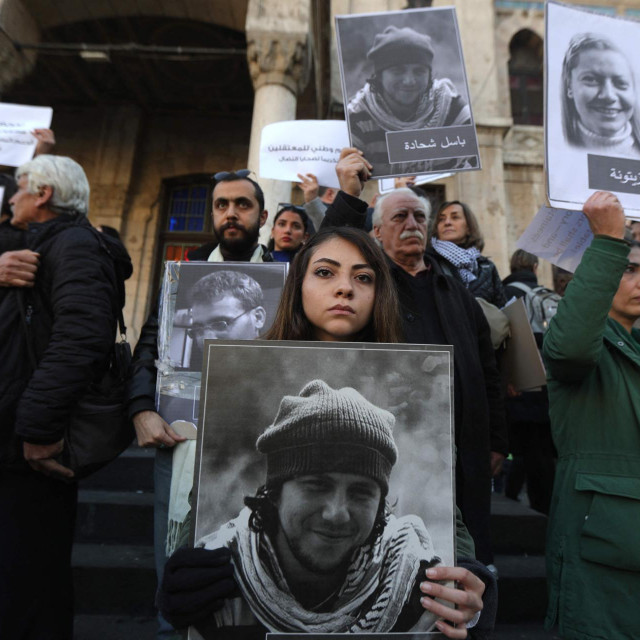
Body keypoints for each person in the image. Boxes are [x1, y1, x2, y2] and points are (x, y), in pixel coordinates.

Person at [158, 226, 498, 639]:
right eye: (325, 272)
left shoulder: (410, 570)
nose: (345, 289)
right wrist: (183, 583)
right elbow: (199, 523)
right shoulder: (230, 549)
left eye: (363, 277)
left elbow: (453, 529)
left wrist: (471, 582)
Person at [319, 148, 507, 570]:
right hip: (396, 446)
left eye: (419, 217)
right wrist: (349, 195)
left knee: (464, 555)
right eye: (399, 218)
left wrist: (497, 441)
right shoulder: (367, 284)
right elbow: (322, 261)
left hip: (464, 448)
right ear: (378, 232)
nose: (412, 225)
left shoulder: (454, 287)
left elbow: (486, 369)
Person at [126, 168, 272, 639]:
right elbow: (151, 346)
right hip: (183, 439)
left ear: (262, 215)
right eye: (221, 204)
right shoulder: (184, 270)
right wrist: (141, 409)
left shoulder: (293, 271)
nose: (231, 213)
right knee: (176, 573)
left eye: (242, 204)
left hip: (258, 443)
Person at [0, 155, 132, 639]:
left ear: (43, 195)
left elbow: (81, 339)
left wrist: (35, 429)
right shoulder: (40, 243)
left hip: (30, 448)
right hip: (16, 439)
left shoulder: (74, 245)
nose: (10, 197)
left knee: (27, 581)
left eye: (18, 187)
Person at [542, 191, 640, 639]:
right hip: (604, 555)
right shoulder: (585, 343)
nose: (639, 279)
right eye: (628, 270)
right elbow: (569, 348)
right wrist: (607, 243)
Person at [347, 25, 474, 177]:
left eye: (419, 71)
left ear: (429, 75)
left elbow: (473, 171)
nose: (409, 81)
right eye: (398, 71)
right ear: (379, 75)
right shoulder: (357, 117)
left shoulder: (452, 110)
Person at [502, 249, 555, 514]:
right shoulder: (544, 294)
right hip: (546, 386)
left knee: (520, 450)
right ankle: (544, 510)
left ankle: (511, 496)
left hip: (516, 384)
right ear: (535, 268)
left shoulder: (504, 293)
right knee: (542, 453)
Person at [561, 33, 640, 157]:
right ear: (569, 86)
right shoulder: (558, 156)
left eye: (621, 83)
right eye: (591, 80)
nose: (608, 95)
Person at [429, 201, 506, 307]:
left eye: (455, 217)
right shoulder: (427, 262)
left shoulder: (487, 267)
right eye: (441, 219)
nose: (447, 222)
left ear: (469, 228)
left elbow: (501, 308)